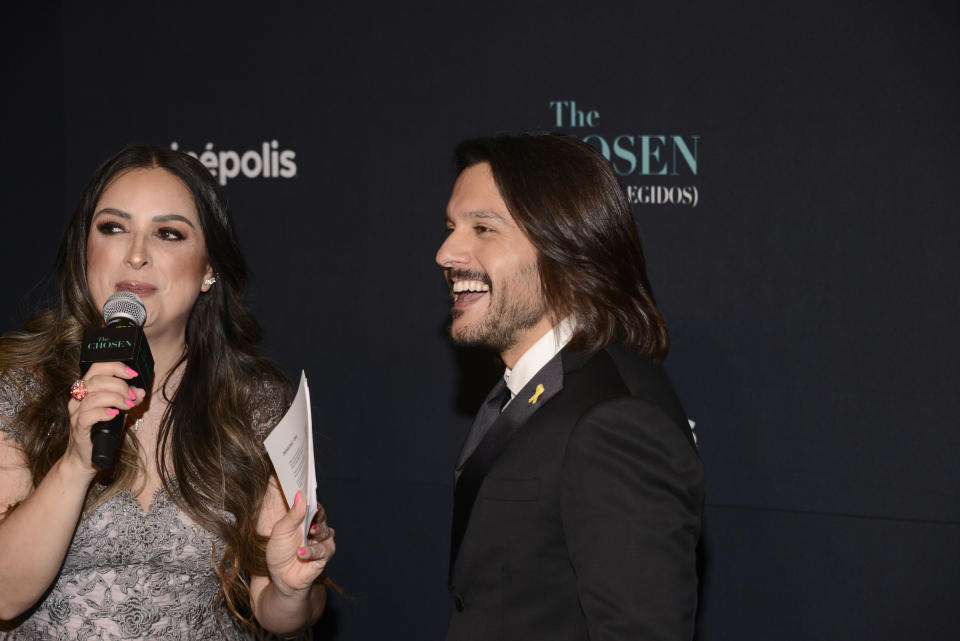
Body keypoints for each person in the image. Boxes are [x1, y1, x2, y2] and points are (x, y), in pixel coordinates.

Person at [0, 145, 334, 639]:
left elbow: (277, 612)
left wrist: (290, 589)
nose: (136, 253)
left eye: (168, 233)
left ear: (208, 269)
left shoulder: (255, 402)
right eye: (112, 228)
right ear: (84, 250)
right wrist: (75, 462)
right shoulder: (22, 386)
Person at [436, 133, 704, 641]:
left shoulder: (616, 421)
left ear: (566, 246)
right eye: (451, 228)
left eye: (483, 228)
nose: (446, 252)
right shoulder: (535, 388)